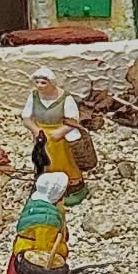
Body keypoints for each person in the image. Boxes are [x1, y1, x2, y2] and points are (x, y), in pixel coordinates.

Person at [22, 69, 87, 201]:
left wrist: (60, 132)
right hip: (41, 136)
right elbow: (26, 117)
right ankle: (44, 185)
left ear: (51, 83)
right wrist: (35, 130)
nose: (39, 85)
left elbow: (73, 120)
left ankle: (73, 186)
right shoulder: (34, 97)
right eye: (37, 82)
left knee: (65, 160)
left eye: (43, 83)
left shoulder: (65, 99)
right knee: (42, 160)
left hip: (60, 136)